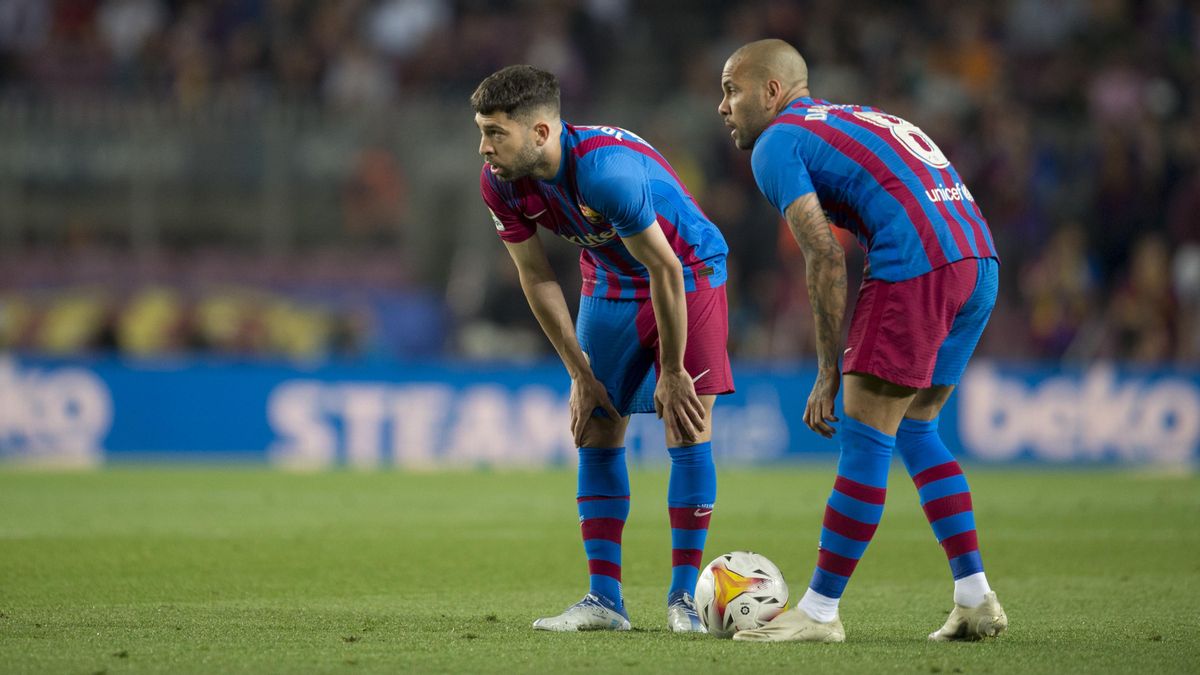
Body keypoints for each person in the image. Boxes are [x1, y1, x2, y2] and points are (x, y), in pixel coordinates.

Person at [717, 39, 1007, 643]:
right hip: (977, 259)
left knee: (865, 431)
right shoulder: (857, 116)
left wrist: (828, 371)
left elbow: (824, 254)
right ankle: (974, 597)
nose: (723, 106)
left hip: (917, 262)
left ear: (772, 92)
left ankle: (820, 612)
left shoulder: (776, 143)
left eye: (731, 90)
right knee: (918, 428)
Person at [472, 65, 734, 633]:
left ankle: (685, 600)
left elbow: (664, 266)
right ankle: (604, 601)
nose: (484, 147)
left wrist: (669, 370)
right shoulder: (500, 182)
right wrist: (578, 372)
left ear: (541, 133)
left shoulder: (606, 173)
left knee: (685, 421)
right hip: (612, 280)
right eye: (483, 130)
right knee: (595, 423)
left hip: (687, 272)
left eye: (496, 133)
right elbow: (536, 276)